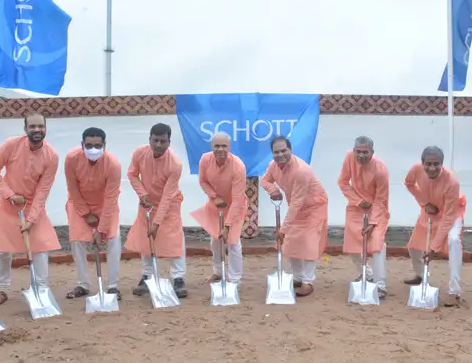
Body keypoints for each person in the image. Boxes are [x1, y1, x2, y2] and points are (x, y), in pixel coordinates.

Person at [0, 113, 61, 306]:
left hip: (34, 207)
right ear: (25, 129)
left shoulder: (52, 156)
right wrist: (9, 195)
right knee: (3, 250)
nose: (37, 130)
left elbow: (43, 190)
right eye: (32, 126)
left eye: (40, 126)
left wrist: (32, 219)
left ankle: (40, 288)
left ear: (45, 128)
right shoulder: (11, 145)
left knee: (41, 247)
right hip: (8, 206)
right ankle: (3, 289)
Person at [125, 123, 188, 298]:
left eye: (163, 141)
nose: (158, 145)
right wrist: (142, 193)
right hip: (147, 203)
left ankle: (178, 278)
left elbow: (168, 195)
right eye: (155, 140)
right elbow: (131, 174)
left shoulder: (175, 164)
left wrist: (157, 223)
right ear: (150, 139)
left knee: (174, 239)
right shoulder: (139, 153)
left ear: (169, 142)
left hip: (170, 204)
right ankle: (147, 276)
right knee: (146, 241)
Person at [260, 136, 328, 297]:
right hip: (296, 207)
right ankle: (298, 277)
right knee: (290, 242)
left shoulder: (301, 171)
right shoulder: (273, 166)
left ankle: (308, 281)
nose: (280, 154)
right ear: (272, 153)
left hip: (314, 206)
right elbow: (265, 180)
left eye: (284, 150)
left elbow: (297, 202)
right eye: (276, 152)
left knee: (309, 242)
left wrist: (283, 229)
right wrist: (272, 190)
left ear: (291, 150)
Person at [403, 146, 467, 307]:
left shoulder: (452, 181)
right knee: (414, 247)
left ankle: (454, 291)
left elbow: (448, 217)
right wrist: (425, 203)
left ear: (442, 164)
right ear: (422, 163)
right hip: (430, 209)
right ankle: (420, 275)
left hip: (451, 213)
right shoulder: (416, 169)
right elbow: (409, 183)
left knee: (453, 241)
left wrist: (434, 246)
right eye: (428, 164)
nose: (432, 168)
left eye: (436, 164)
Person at [64, 127, 122, 300]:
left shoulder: (113, 164)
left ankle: (112, 286)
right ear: (82, 145)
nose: (93, 150)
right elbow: (72, 188)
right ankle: (82, 284)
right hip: (79, 203)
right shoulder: (71, 159)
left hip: (106, 205)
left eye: (98, 146)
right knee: (76, 240)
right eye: (89, 145)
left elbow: (111, 198)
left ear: (105, 145)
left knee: (114, 239)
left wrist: (102, 229)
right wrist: (85, 213)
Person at [337, 136, 390, 299]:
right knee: (352, 243)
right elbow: (343, 182)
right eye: (358, 152)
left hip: (377, 209)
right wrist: (358, 201)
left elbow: (381, 199)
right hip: (356, 206)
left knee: (377, 243)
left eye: (365, 152)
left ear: (372, 153)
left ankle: (380, 285)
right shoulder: (348, 158)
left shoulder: (381, 170)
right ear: (353, 151)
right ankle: (366, 273)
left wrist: (373, 223)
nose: (361, 156)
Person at [191, 133, 248, 284]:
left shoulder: (238, 166)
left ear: (229, 147)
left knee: (233, 241)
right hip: (215, 205)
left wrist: (228, 226)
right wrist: (214, 196)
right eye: (217, 146)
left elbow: (237, 200)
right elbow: (203, 181)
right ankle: (218, 272)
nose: (220, 149)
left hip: (236, 206)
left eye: (224, 146)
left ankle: (234, 279)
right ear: (212, 147)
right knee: (215, 241)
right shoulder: (205, 159)